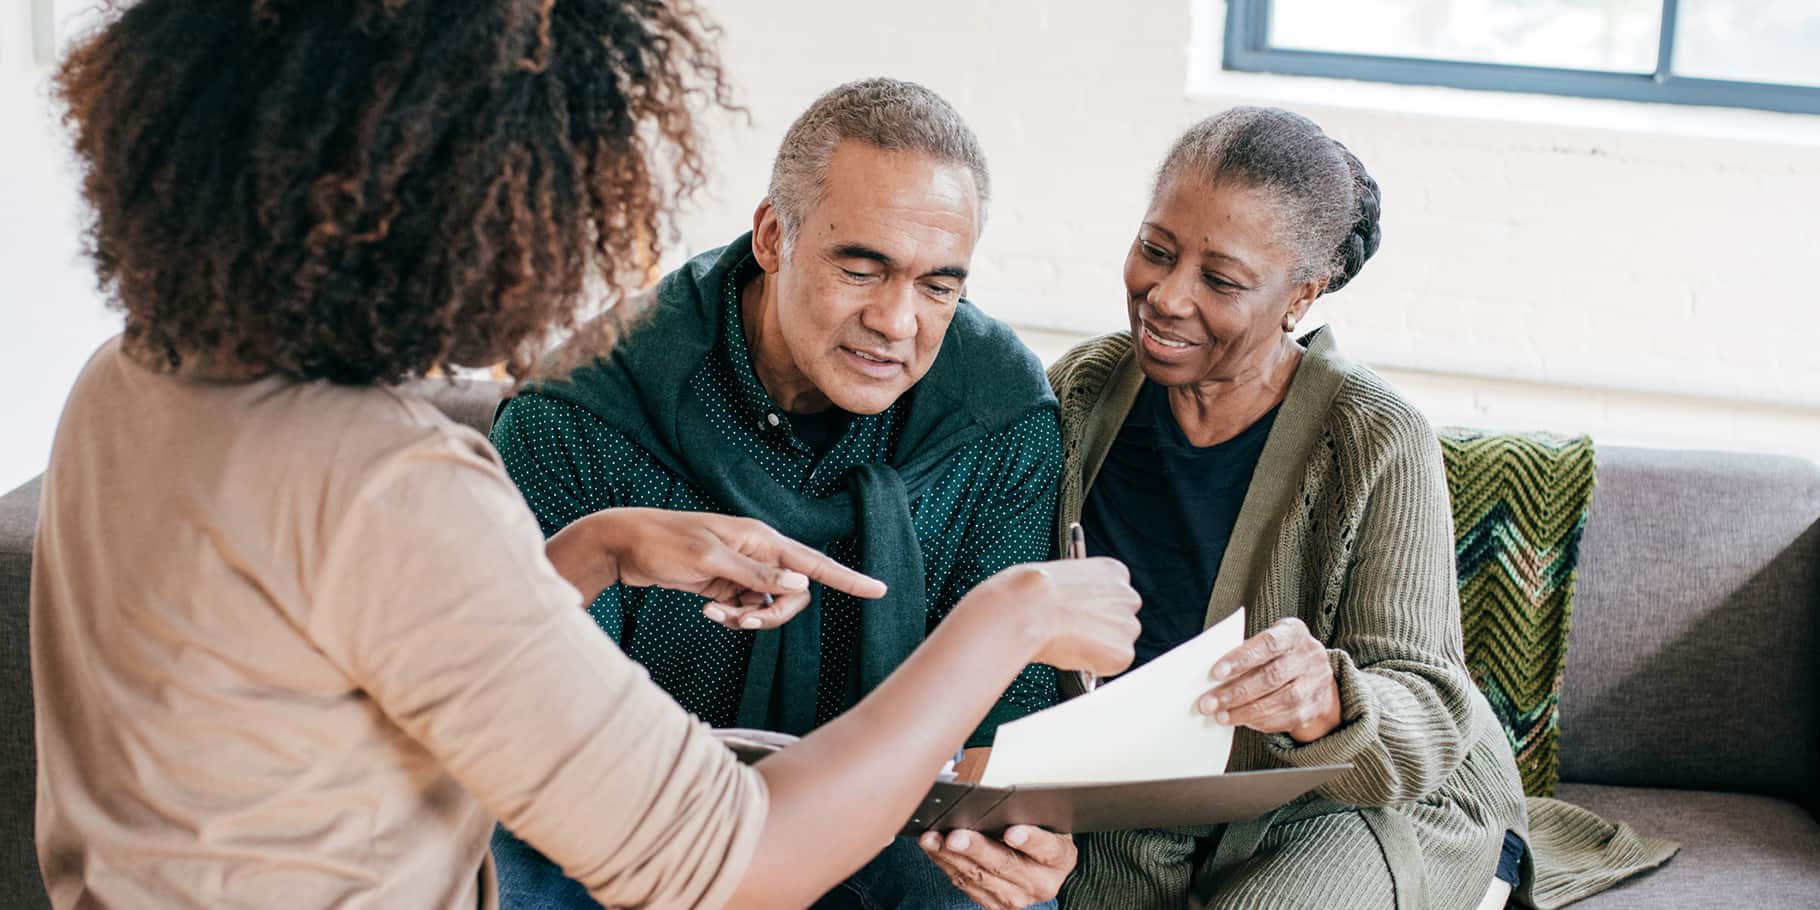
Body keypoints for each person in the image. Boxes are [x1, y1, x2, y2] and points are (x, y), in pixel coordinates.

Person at [29, 3, 1143, 909]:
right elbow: (736, 862)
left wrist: (594, 548)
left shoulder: (130, 377)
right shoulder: (394, 487)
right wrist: (1009, 614)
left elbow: (368, 650)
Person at [489, 78, 1079, 909]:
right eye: (862, 267)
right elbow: (539, 729)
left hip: (886, 816)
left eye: (939, 284)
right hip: (629, 814)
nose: (897, 321)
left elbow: (999, 721)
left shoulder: (999, 413)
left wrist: (1017, 835)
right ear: (773, 235)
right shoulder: (582, 412)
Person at [1038, 107, 1528, 910]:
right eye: (1155, 250)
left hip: (1351, 797)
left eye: (1221, 281)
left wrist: (1328, 696)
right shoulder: (1081, 394)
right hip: (1146, 798)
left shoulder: (1377, 438)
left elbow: (1430, 705)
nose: (1165, 296)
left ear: (1300, 295)